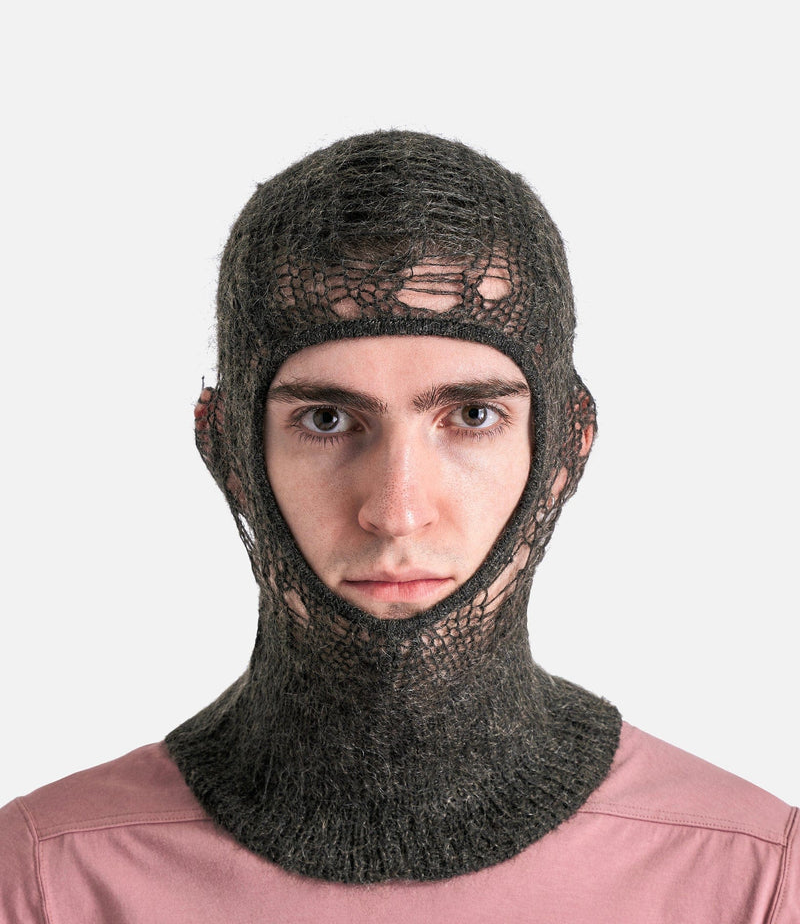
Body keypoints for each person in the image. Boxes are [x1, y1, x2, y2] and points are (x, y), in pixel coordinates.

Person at [1, 130, 797, 922]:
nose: (396, 511)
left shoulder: (750, 878)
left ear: (565, 447)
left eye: (472, 415)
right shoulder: (50, 880)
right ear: (230, 450)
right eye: (326, 418)